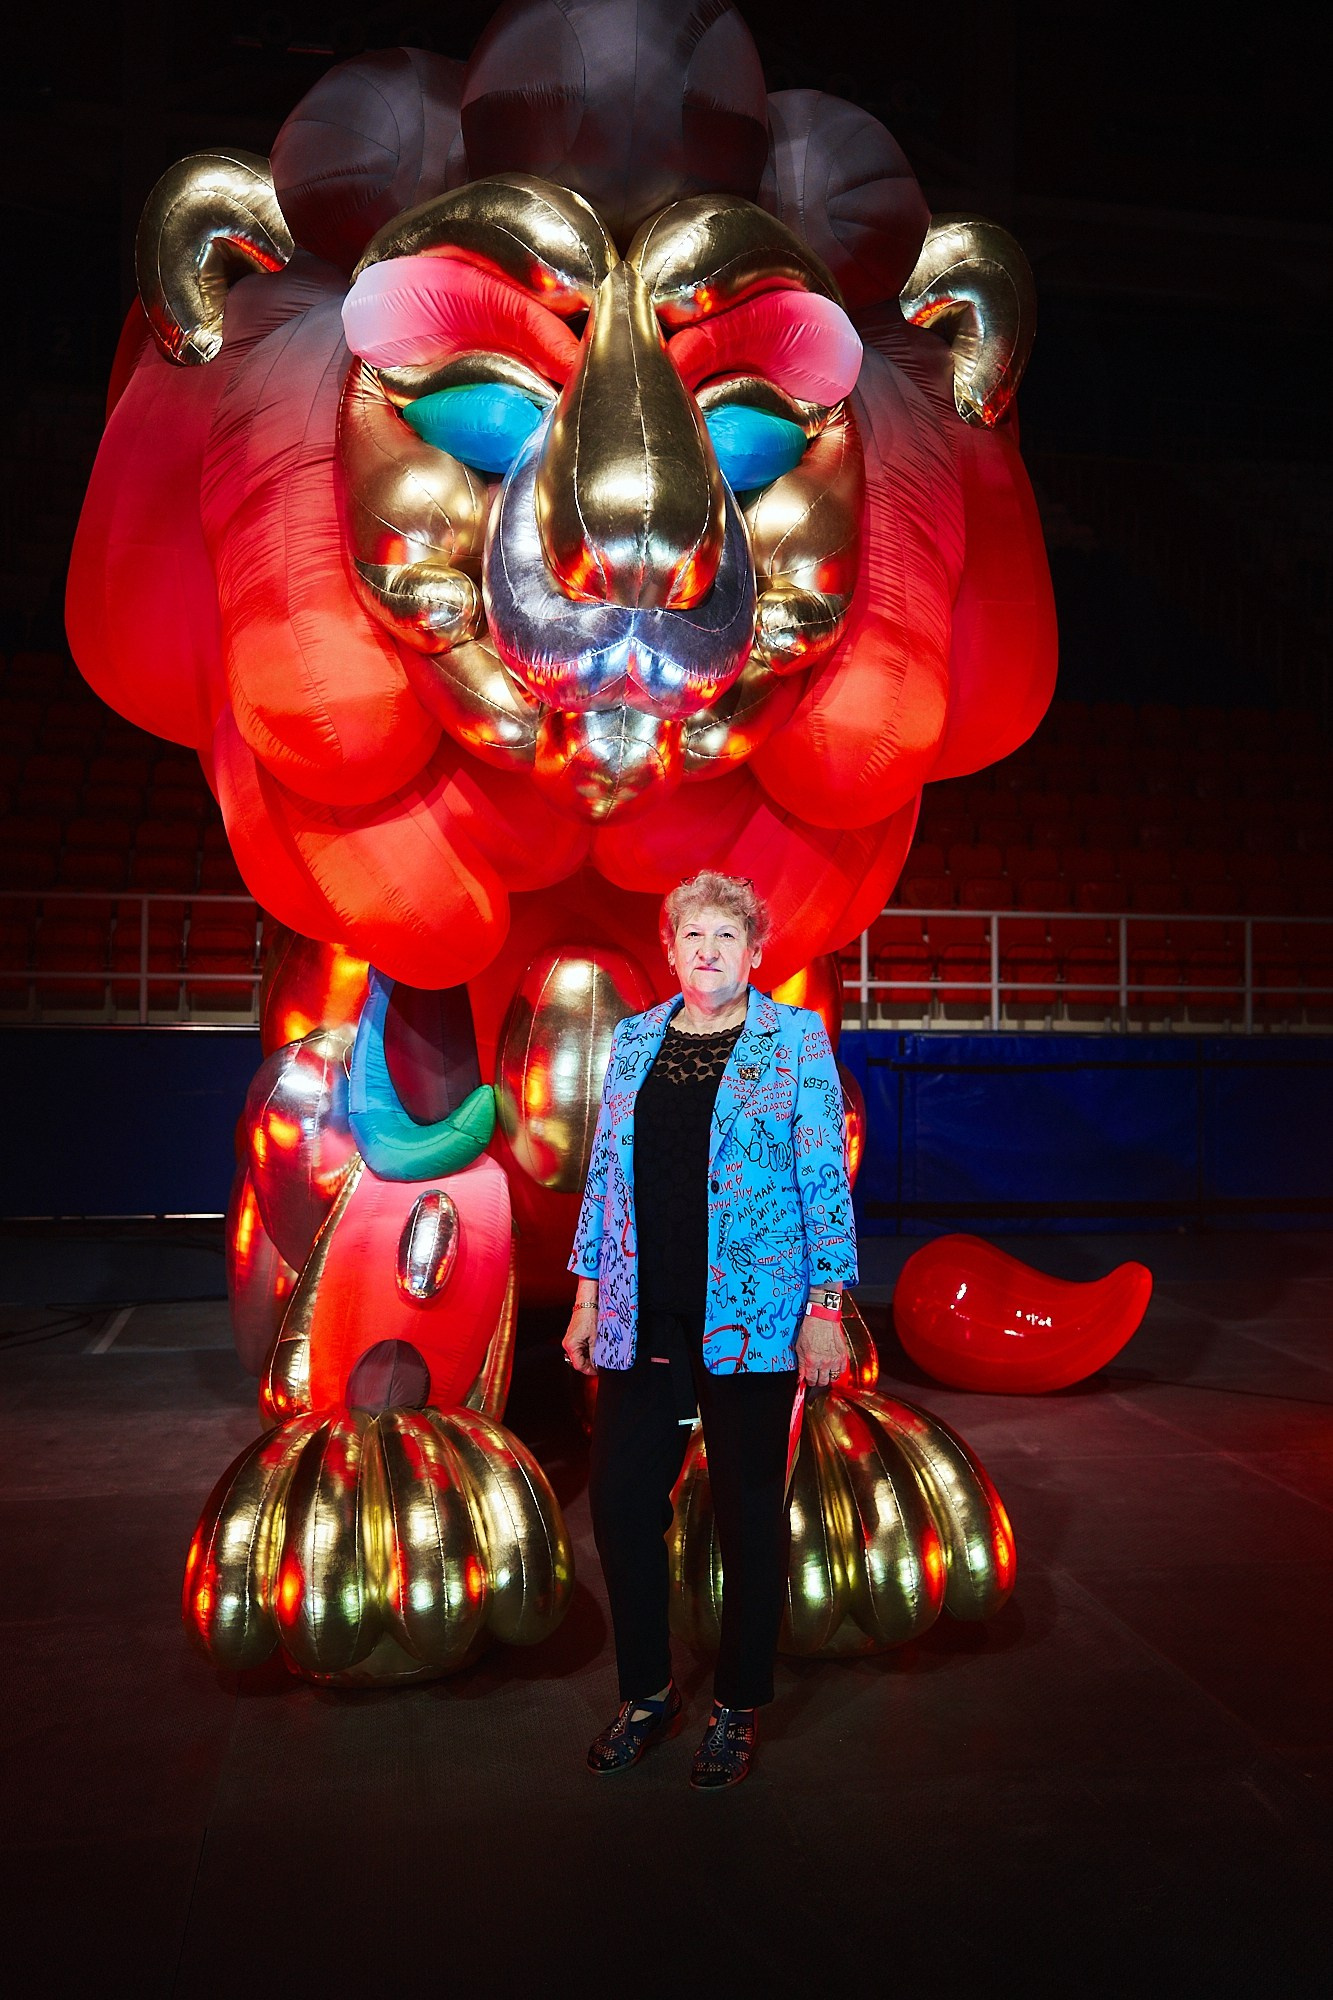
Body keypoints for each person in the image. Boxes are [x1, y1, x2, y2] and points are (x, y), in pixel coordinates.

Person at [564, 870, 856, 1789]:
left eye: (726, 935)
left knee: (746, 1513)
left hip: (755, 1314)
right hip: (642, 1308)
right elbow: (605, 1175)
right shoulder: (633, 1039)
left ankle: (736, 1704)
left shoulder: (794, 1039)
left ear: (754, 952)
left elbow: (823, 1177)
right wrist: (586, 1297)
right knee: (618, 1504)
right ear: (671, 950)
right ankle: (648, 1693)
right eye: (693, 934)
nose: (708, 950)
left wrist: (825, 1309)